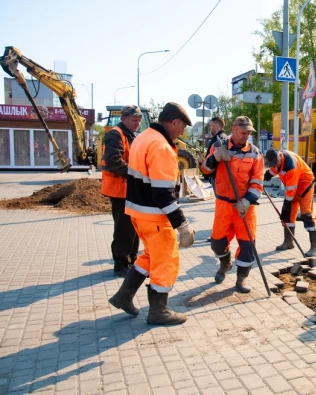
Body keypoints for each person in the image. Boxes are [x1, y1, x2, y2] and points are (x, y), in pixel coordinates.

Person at [108, 102, 196, 325]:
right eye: (182, 127)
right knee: (166, 260)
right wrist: (182, 224)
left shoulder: (143, 137)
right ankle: (159, 311)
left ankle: (123, 296)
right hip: (155, 216)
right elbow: (162, 193)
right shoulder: (161, 147)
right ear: (174, 122)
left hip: (138, 213)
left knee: (149, 256)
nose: (182, 132)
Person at [201, 116, 264, 293]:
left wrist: (248, 200)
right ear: (234, 129)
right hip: (223, 205)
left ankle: (241, 279)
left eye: (249, 133)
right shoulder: (218, 146)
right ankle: (225, 263)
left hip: (245, 207)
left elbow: (258, 181)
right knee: (217, 243)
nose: (247, 136)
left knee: (248, 246)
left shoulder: (255, 153)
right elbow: (205, 169)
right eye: (244, 132)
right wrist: (215, 157)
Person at [100, 105, 142, 277]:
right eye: (134, 120)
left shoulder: (130, 135)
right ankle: (120, 264)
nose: (137, 124)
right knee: (124, 228)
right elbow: (113, 161)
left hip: (129, 189)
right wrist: (136, 173)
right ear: (124, 118)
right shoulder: (116, 134)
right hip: (119, 189)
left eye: (139, 121)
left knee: (134, 227)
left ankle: (132, 259)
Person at [264, 148, 316, 257]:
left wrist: (286, 205)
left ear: (279, 155)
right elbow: (277, 168)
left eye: (276, 162)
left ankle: (315, 248)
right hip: (293, 186)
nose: (275, 165)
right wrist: (268, 174)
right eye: (273, 164)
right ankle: (288, 242)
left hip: (304, 185)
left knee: (306, 214)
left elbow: (291, 189)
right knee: (288, 214)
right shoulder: (277, 161)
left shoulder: (291, 166)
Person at [201, 117, 228, 195]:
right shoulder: (221, 138)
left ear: (217, 126)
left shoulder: (219, 139)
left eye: (211, 125)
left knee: (221, 199)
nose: (209, 128)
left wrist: (207, 173)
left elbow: (216, 158)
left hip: (217, 175)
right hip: (217, 175)